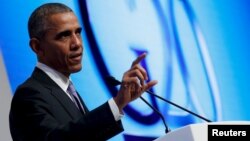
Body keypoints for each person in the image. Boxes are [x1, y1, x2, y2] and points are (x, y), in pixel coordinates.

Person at [9, 2, 157, 141]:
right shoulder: (29, 95)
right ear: (37, 47)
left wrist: (120, 104)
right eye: (64, 35)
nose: (77, 43)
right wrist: (116, 104)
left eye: (78, 33)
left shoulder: (68, 91)